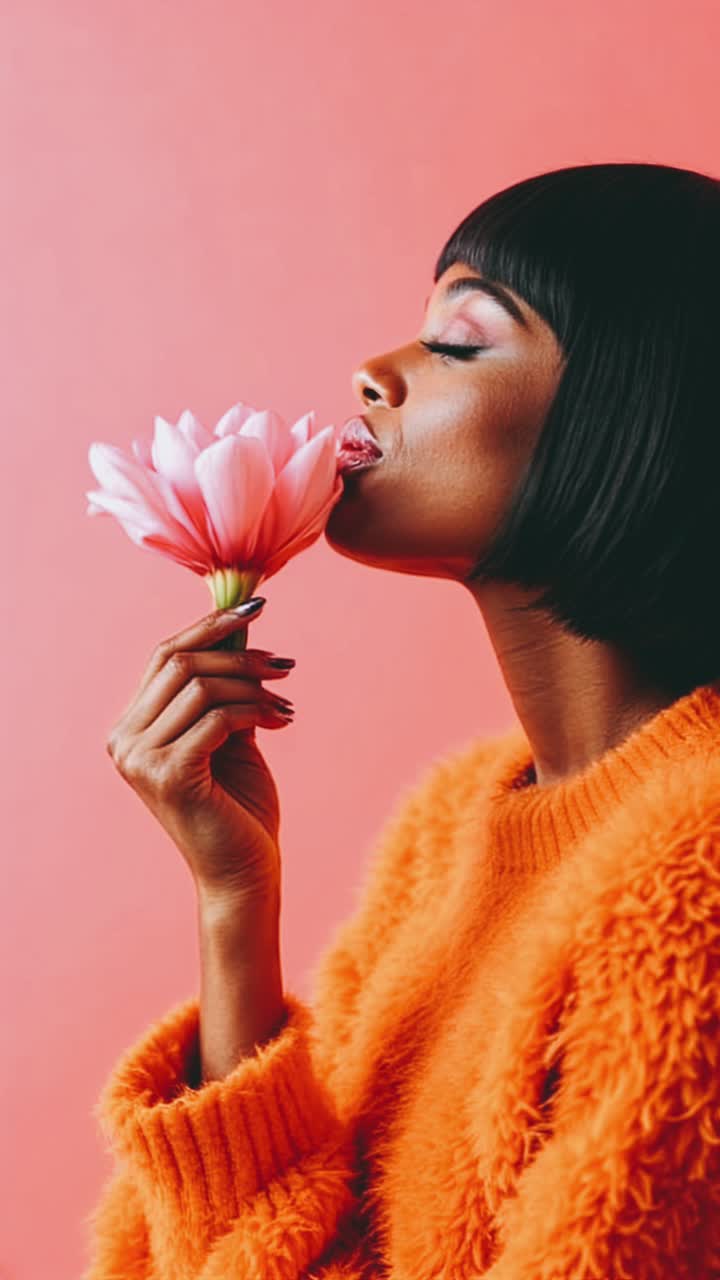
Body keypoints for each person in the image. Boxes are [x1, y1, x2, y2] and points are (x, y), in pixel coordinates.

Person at [82, 161, 720, 1279]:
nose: (374, 373)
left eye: (461, 341)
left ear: (641, 409)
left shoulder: (698, 865)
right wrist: (236, 903)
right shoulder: (450, 829)